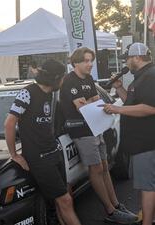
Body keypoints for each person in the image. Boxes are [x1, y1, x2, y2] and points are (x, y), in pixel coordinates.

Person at [60, 47, 137, 224]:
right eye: (86, 61)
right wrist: (90, 102)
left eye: (91, 60)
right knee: (95, 169)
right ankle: (110, 211)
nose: (90, 64)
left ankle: (116, 205)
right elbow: (83, 107)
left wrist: (90, 102)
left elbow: (95, 101)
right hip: (81, 131)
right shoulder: (69, 81)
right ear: (75, 63)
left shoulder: (88, 78)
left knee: (104, 167)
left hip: (95, 127)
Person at [5, 59, 82, 225]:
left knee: (64, 198)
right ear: (55, 78)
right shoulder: (27, 93)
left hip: (54, 152)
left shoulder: (51, 94)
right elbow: (9, 122)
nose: (63, 81)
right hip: (39, 158)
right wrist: (14, 154)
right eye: (62, 78)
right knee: (65, 200)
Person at [103, 42, 155, 225]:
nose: (126, 63)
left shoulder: (150, 76)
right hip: (140, 144)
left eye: (127, 59)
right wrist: (119, 87)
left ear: (137, 58)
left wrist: (116, 110)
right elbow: (131, 104)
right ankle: (146, 217)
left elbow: (149, 108)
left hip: (146, 143)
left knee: (147, 186)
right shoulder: (141, 76)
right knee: (145, 185)